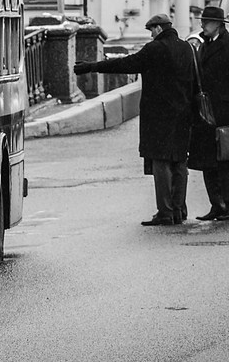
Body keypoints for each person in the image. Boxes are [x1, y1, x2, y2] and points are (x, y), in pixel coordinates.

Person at [74, 13, 195, 226]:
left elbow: (127, 64)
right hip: (183, 113)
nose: (150, 35)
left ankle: (165, 211)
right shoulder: (187, 48)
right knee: (180, 162)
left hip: (159, 115)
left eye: (151, 30)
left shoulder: (155, 49)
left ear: (158, 28)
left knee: (161, 162)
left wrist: (92, 66)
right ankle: (178, 210)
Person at [188, 6, 229, 221]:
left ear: (218, 24)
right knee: (208, 161)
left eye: (206, 22)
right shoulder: (203, 46)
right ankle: (216, 205)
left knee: (228, 161)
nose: (202, 25)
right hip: (206, 113)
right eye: (202, 21)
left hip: (225, 111)